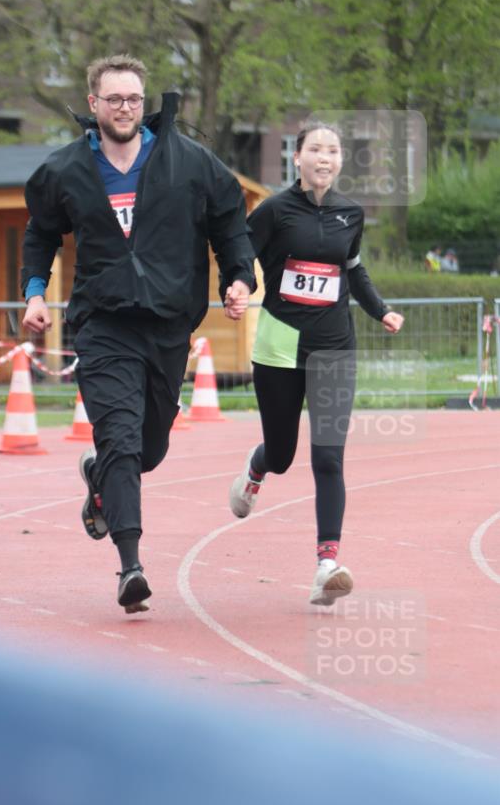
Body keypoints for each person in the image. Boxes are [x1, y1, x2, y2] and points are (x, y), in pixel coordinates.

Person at [21, 54, 255, 613]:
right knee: (121, 440)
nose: (125, 108)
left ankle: (100, 475)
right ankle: (131, 566)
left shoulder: (189, 161)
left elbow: (228, 220)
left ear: (142, 105)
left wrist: (239, 277)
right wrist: (33, 293)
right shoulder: (66, 170)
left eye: (133, 99)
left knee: (148, 448)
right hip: (102, 325)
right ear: (94, 104)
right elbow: (41, 234)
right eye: (114, 99)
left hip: (168, 324)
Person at [229, 122, 404, 605]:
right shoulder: (274, 211)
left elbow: (354, 268)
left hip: (334, 348)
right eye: (315, 149)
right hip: (280, 347)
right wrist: (240, 285)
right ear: (298, 158)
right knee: (283, 454)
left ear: (340, 161)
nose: (324, 157)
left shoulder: (351, 213)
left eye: (332, 151)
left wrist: (381, 309)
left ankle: (327, 563)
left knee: (328, 456)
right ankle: (258, 466)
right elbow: (241, 254)